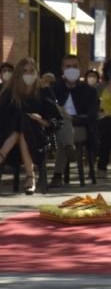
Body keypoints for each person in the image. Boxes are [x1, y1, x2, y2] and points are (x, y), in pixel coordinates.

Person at [0, 57, 61, 193]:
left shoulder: (44, 90)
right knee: (21, 121)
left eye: (31, 71)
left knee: (24, 121)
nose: (28, 74)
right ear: (18, 74)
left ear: (36, 73)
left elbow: (57, 119)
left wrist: (40, 120)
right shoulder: (10, 91)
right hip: (11, 138)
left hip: (37, 137)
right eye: (24, 71)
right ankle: (30, 175)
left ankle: (2, 154)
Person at [50, 55, 99, 187]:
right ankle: (69, 150)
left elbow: (92, 116)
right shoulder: (54, 89)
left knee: (65, 130)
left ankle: (57, 175)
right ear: (62, 69)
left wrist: (72, 119)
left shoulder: (89, 91)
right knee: (63, 127)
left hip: (80, 128)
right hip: (55, 127)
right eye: (68, 66)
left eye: (75, 66)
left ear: (80, 68)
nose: (71, 69)